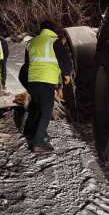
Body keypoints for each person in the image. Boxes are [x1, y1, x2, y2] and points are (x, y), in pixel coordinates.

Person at [22, 20, 73, 152]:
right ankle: (38, 142)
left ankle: (31, 132)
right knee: (46, 112)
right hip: (46, 81)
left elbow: (27, 64)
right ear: (53, 30)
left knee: (37, 108)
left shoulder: (31, 42)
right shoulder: (54, 41)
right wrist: (67, 75)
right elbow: (64, 59)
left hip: (32, 81)